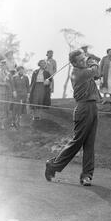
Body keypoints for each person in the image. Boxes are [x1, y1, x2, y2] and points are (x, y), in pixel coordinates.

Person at [45, 49, 100, 186]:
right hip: (83, 108)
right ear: (74, 63)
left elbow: (97, 73)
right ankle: (53, 165)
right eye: (80, 60)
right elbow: (94, 70)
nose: (83, 61)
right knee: (77, 142)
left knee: (89, 144)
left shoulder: (84, 70)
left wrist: (90, 60)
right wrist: (92, 61)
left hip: (93, 107)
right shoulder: (78, 72)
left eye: (83, 58)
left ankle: (86, 176)